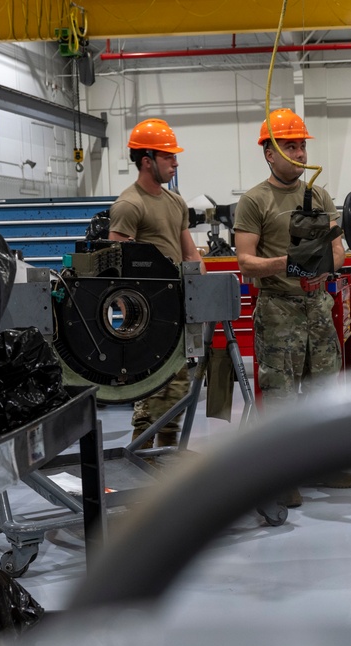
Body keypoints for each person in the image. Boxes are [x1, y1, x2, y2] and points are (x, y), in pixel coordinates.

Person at [233, 108, 351, 507]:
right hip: (277, 308)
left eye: (302, 145)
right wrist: (287, 264)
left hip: (318, 305)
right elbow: (245, 262)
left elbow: (339, 250)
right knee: (281, 395)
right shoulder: (254, 200)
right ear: (269, 153)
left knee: (322, 391)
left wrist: (323, 268)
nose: (300, 153)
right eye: (290, 145)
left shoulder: (318, 194)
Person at [109, 118, 205, 448]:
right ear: (147, 160)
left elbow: (189, 252)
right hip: (148, 317)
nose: (175, 163)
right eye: (169, 157)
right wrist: (135, 323)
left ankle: (165, 464)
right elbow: (115, 270)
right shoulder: (129, 205)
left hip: (176, 309)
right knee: (152, 396)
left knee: (177, 391)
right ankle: (141, 464)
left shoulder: (175, 202)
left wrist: (202, 294)